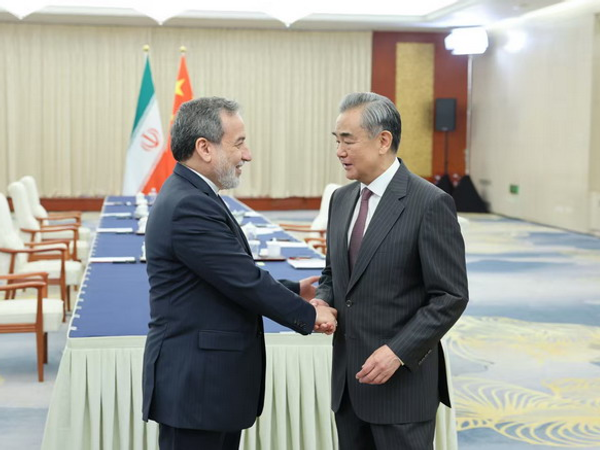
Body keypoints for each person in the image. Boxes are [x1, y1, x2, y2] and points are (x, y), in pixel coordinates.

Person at [141, 96, 337, 450]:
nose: (247, 155)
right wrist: (310, 315)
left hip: (205, 386)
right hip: (196, 387)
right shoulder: (189, 203)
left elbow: (221, 276)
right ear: (205, 148)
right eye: (239, 143)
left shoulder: (194, 192)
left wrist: (294, 289)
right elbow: (244, 281)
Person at [312, 92, 468, 450]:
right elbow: (333, 274)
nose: (339, 151)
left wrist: (397, 351)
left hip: (402, 388)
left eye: (347, 140)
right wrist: (322, 300)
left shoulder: (430, 203)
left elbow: (450, 296)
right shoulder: (341, 199)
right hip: (349, 385)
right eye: (336, 141)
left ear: (383, 140)